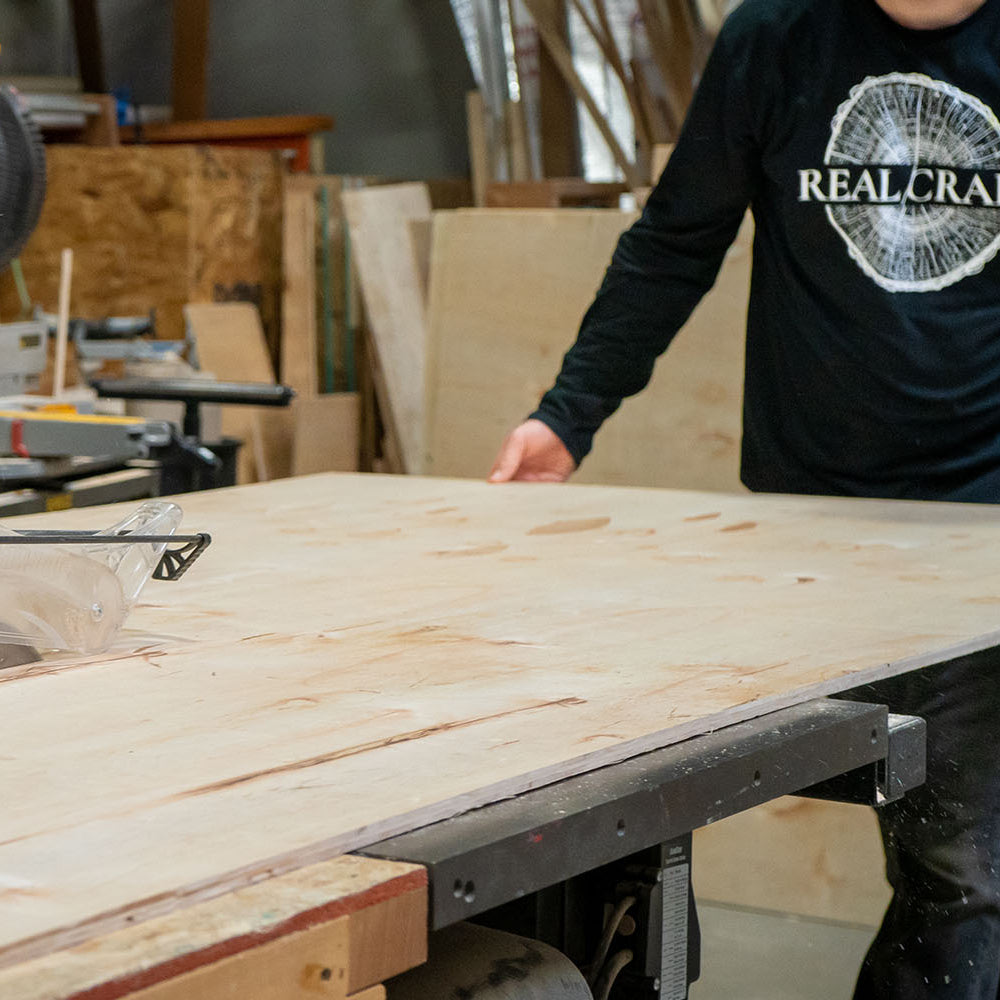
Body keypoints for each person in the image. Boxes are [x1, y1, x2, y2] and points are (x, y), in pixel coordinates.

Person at [488, 0, 1000, 996]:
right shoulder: (776, 37)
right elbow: (677, 240)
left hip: (979, 527)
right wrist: (569, 413)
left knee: (965, 877)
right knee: (637, 833)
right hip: (803, 529)